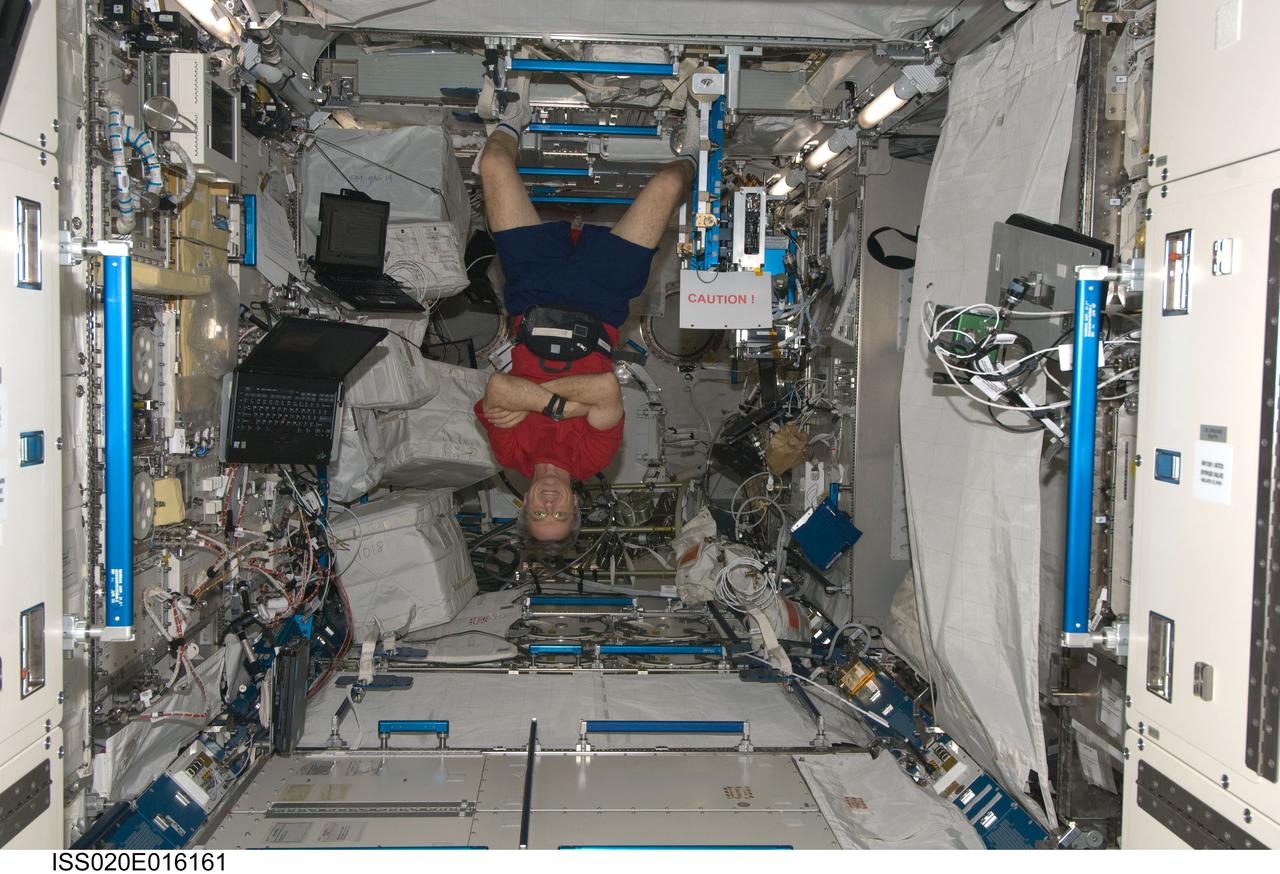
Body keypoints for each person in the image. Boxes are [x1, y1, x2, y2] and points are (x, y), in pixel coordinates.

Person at [472, 84, 697, 546]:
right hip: (602, 300)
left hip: (532, 295)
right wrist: (534, 398)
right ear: (575, 505)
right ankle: (696, 140)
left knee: (492, 163)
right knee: (671, 182)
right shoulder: (594, 457)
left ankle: (514, 109)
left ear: (526, 504)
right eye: (557, 512)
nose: (549, 503)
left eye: (538, 511)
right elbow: (604, 386)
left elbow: (496, 385)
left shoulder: (509, 453)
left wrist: (561, 404)